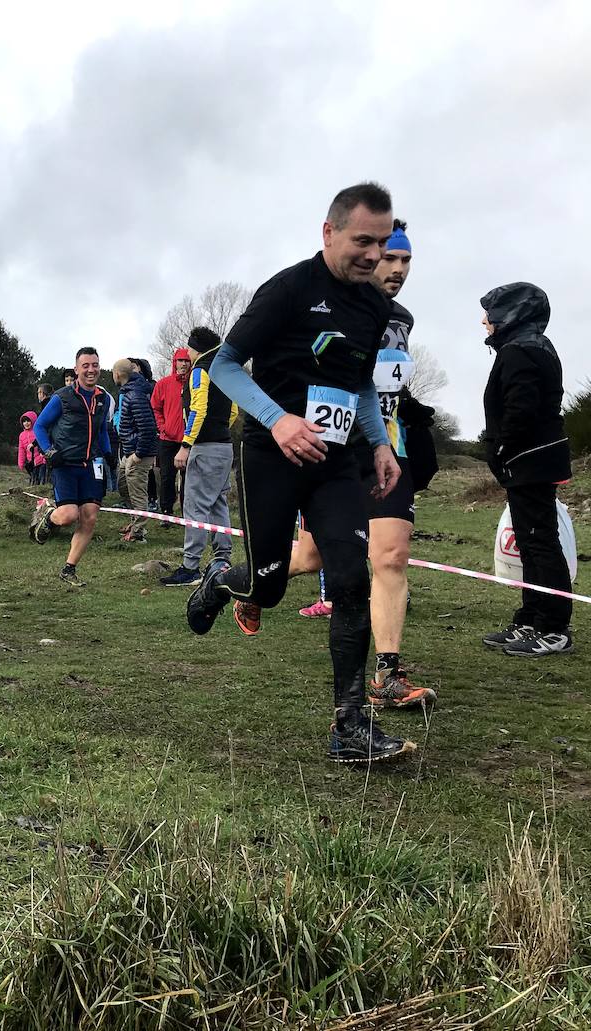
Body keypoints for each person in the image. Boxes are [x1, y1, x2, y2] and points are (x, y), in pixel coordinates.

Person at [184, 181, 416, 764]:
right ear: (329, 232)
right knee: (270, 587)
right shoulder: (288, 289)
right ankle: (220, 582)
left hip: (336, 463)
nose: (373, 256)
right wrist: (278, 420)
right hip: (272, 454)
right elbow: (226, 367)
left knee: (350, 582)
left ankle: (349, 728)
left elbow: (359, 384)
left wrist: (380, 444)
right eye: (363, 241)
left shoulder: (376, 307)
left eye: (383, 244)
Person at [243, 220, 435, 709]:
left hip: (382, 450)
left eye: (403, 260)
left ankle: (384, 677)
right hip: (322, 452)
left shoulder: (398, 318)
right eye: (384, 256)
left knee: (388, 556)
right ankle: (246, 583)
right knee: (309, 558)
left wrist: (401, 425)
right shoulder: (306, 297)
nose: (393, 268)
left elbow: (376, 384)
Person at [479, 282, 574, 656]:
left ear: (512, 314)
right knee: (530, 540)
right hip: (529, 460)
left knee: (539, 541)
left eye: (492, 312)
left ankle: (554, 627)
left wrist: (500, 447)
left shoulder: (522, 351)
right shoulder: (524, 347)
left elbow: (521, 408)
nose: (485, 321)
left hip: (531, 460)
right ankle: (532, 617)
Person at [28, 347, 112, 588]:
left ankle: (69, 569)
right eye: (85, 365)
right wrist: (49, 452)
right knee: (68, 515)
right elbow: (40, 427)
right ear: (76, 370)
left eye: (95, 365)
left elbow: (102, 429)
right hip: (64, 463)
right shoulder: (62, 397)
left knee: (89, 517)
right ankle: (47, 517)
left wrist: (107, 453)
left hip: (91, 465)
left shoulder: (103, 398)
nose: (91, 370)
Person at [160, 328, 237, 587]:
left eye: (190, 349)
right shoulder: (224, 370)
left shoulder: (199, 370)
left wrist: (186, 444)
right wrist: (221, 430)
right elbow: (234, 409)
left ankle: (190, 567)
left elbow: (198, 407)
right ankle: (222, 560)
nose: (188, 354)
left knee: (194, 505)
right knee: (217, 503)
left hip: (204, 448)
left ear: (197, 349)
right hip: (225, 446)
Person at [117, 358, 159, 542]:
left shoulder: (135, 394)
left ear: (117, 374)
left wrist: (138, 455)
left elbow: (148, 428)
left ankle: (138, 533)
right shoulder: (130, 392)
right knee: (123, 483)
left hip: (138, 452)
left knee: (138, 492)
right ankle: (135, 522)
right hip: (129, 450)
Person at [151, 348, 192, 516]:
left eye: (186, 361)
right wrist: (162, 427)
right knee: (167, 476)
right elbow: (155, 408)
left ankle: (187, 512)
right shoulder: (163, 384)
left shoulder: (195, 384)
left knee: (188, 479)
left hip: (188, 439)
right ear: (175, 362)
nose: (183, 364)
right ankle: (166, 511)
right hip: (167, 439)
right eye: (180, 360)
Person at [18, 411, 47, 485]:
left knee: (42, 480)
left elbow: (43, 443)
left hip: (41, 460)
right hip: (31, 462)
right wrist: (21, 463)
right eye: (24, 421)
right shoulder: (22, 435)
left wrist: (43, 456)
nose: (26, 423)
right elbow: (21, 450)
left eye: (28, 421)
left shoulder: (37, 431)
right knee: (34, 480)